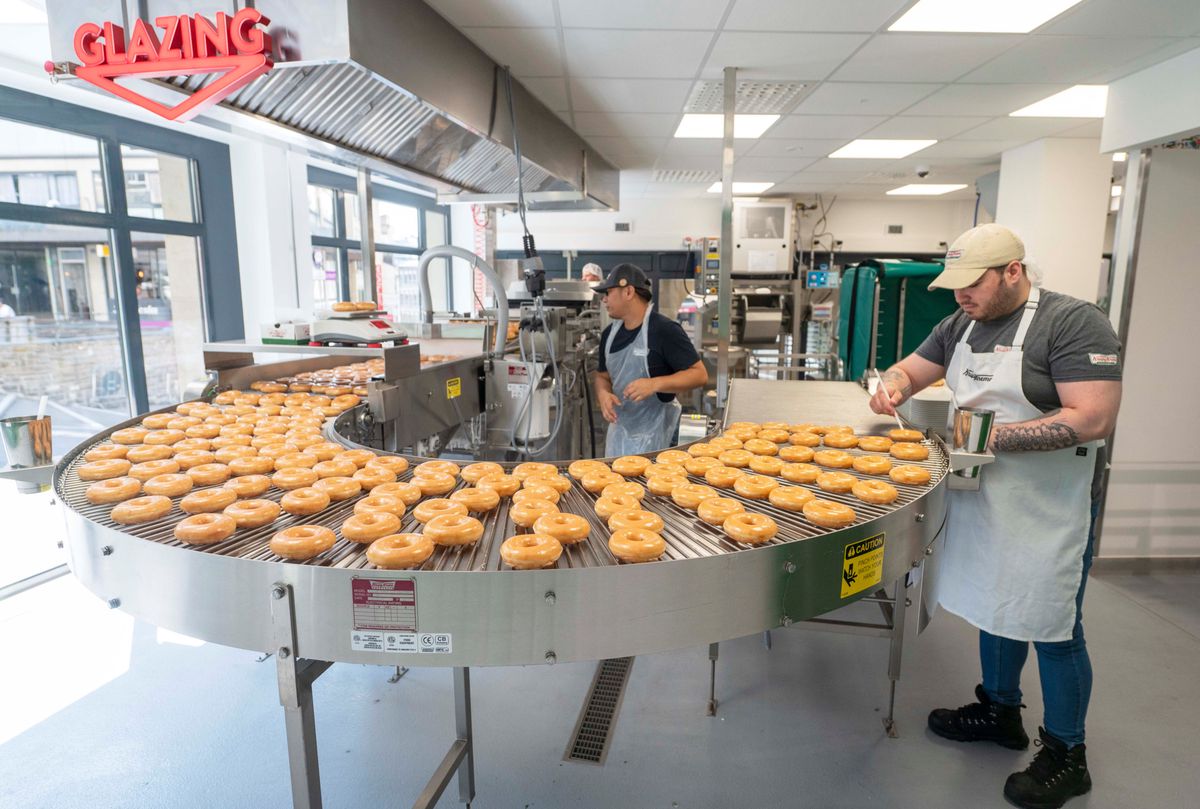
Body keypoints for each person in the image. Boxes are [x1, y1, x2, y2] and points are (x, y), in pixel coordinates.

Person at [871, 224, 1123, 809]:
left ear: (1013, 270)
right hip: (982, 496)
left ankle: (1067, 753)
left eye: (973, 283)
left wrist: (981, 438)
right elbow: (910, 369)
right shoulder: (960, 324)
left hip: (1048, 502)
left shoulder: (1072, 322)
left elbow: (1092, 418)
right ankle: (1000, 710)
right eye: (954, 285)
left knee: (1054, 625)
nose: (961, 295)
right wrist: (892, 387)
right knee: (995, 599)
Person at [593, 264, 706, 455]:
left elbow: (699, 375)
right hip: (620, 436)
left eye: (608, 292)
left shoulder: (665, 331)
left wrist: (654, 384)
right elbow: (602, 376)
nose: (604, 299)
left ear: (628, 292)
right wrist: (603, 394)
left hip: (659, 437)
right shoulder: (609, 335)